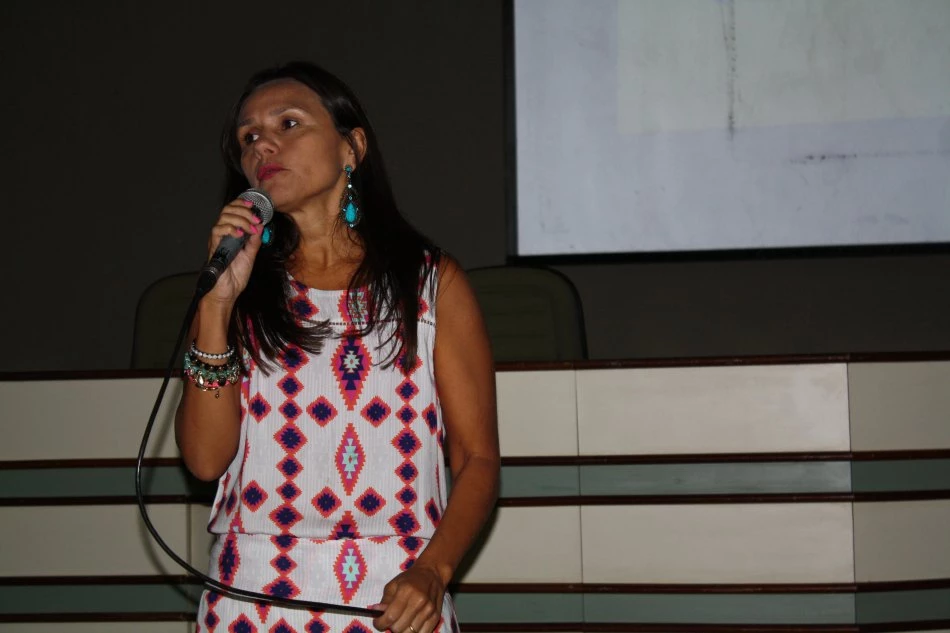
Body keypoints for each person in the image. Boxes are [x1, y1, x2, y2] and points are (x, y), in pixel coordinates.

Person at [175, 61, 500, 633]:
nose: (262, 145)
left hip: (396, 599)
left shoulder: (430, 284)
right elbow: (204, 461)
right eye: (248, 137)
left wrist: (435, 571)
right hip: (249, 600)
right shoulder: (236, 292)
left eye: (289, 123)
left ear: (352, 148)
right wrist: (217, 307)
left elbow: (477, 458)